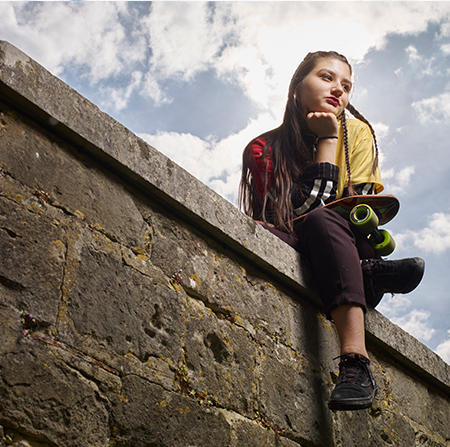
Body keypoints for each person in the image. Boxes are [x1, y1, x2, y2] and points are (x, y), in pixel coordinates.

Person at [239, 51, 425, 411]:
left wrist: (334, 140)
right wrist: (326, 143)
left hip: (351, 249)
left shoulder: (357, 131)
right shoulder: (263, 149)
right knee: (278, 227)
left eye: (347, 85)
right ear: (297, 87)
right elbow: (295, 213)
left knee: (325, 221)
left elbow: (361, 209)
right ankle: (370, 276)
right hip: (302, 248)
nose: (338, 90)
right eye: (327, 77)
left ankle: (355, 362)